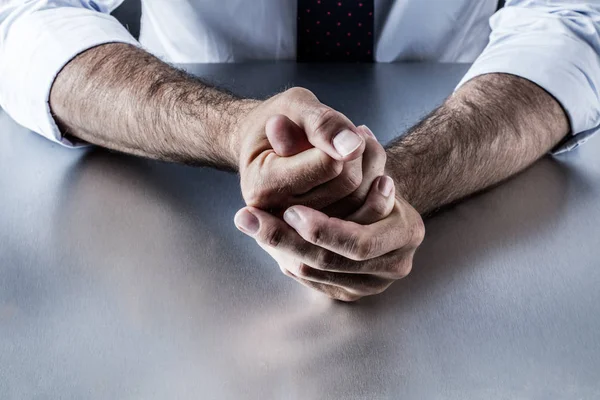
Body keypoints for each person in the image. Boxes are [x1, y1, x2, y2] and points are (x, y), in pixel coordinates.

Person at [0, 1, 597, 301]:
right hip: (172, 211)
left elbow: (568, 20)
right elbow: (30, 14)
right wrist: (230, 130)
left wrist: (392, 181)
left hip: (467, 179)